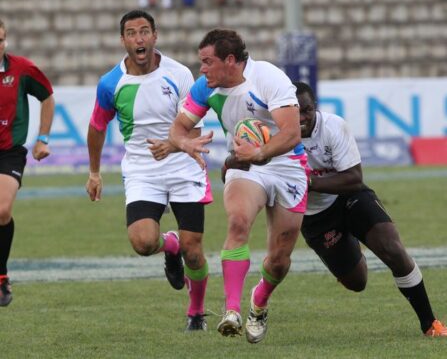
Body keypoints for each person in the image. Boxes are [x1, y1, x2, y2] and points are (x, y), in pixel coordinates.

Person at [169, 29, 308, 343]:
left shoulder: (268, 77)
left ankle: (259, 304)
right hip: (245, 165)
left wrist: (260, 152)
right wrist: (184, 143)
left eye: (207, 62)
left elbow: (291, 134)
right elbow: (177, 128)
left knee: (280, 258)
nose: (202, 69)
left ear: (230, 60)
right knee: (237, 221)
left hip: (287, 165)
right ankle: (231, 310)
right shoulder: (205, 87)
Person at [85, 10, 213, 331]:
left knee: (194, 251)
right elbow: (97, 126)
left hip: (184, 164)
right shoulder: (111, 83)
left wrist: (173, 145)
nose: (139, 39)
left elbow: (194, 130)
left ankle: (196, 312)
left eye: (145, 32)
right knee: (142, 243)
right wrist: (95, 172)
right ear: (123, 40)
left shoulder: (180, 74)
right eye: (132, 33)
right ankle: (169, 246)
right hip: (143, 170)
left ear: (155, 36)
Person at [295, 81, 447, 337]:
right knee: (357, 282)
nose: (301, 117)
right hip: (315, 217)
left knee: (392, 248)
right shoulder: (278, 136)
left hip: (348, 197)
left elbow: (354, 178)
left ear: (315, 107)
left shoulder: (333, 126)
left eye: (307, 110)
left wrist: (310, 181)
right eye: (295, 111)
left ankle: (430, 324)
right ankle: (352, 244)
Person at [0, 19, 55, 307]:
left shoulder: (21, 69)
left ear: (5, 40)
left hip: (9, 152)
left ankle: (1, 276)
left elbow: (47, 96)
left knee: (2, 209)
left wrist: (42, 137)